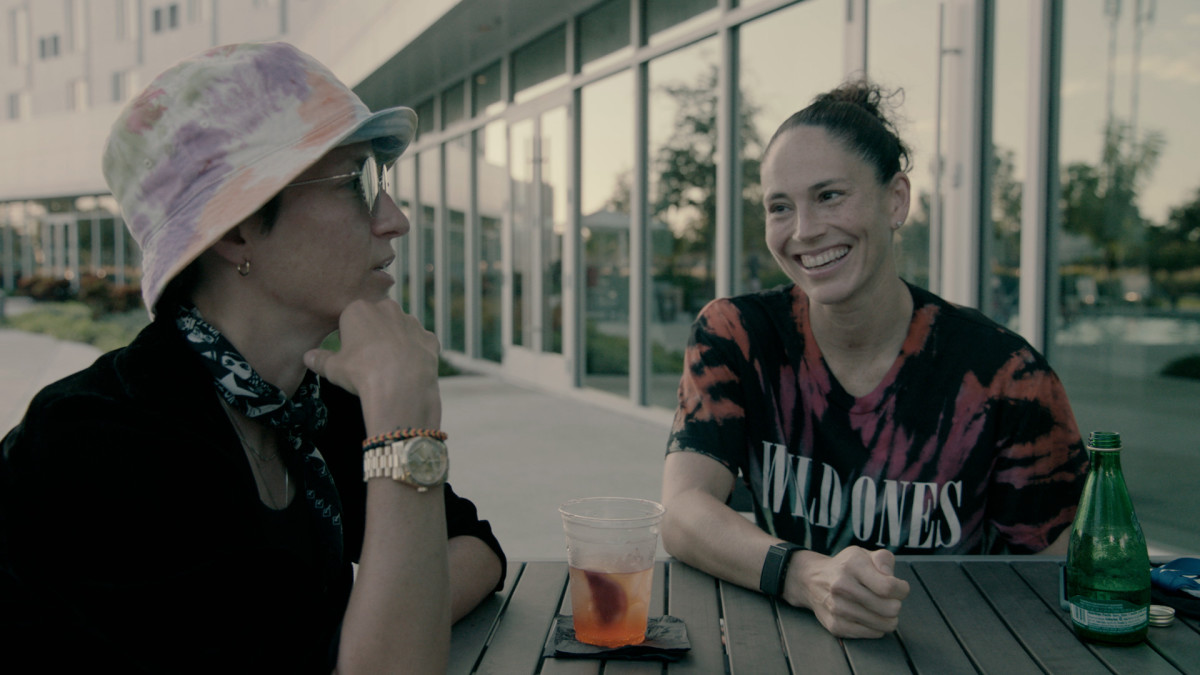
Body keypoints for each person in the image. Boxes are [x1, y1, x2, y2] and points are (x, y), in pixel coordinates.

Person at [0, 42, 505, 673]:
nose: (395, 219)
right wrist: (405, 426)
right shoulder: (99, 443)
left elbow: (474, 546)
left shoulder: (302, 402)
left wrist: (373, 630)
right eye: (356, 183)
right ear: (236, 229)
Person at [660, 79, 1088, 639]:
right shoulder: (738, 336)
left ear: (896, 200)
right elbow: (683, 511)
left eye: (829, 196)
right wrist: (806, 577)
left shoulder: (1004, 374)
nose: (804, 230)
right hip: (788, 646)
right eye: (780, 207)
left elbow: (1061, 571)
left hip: (958, 650)